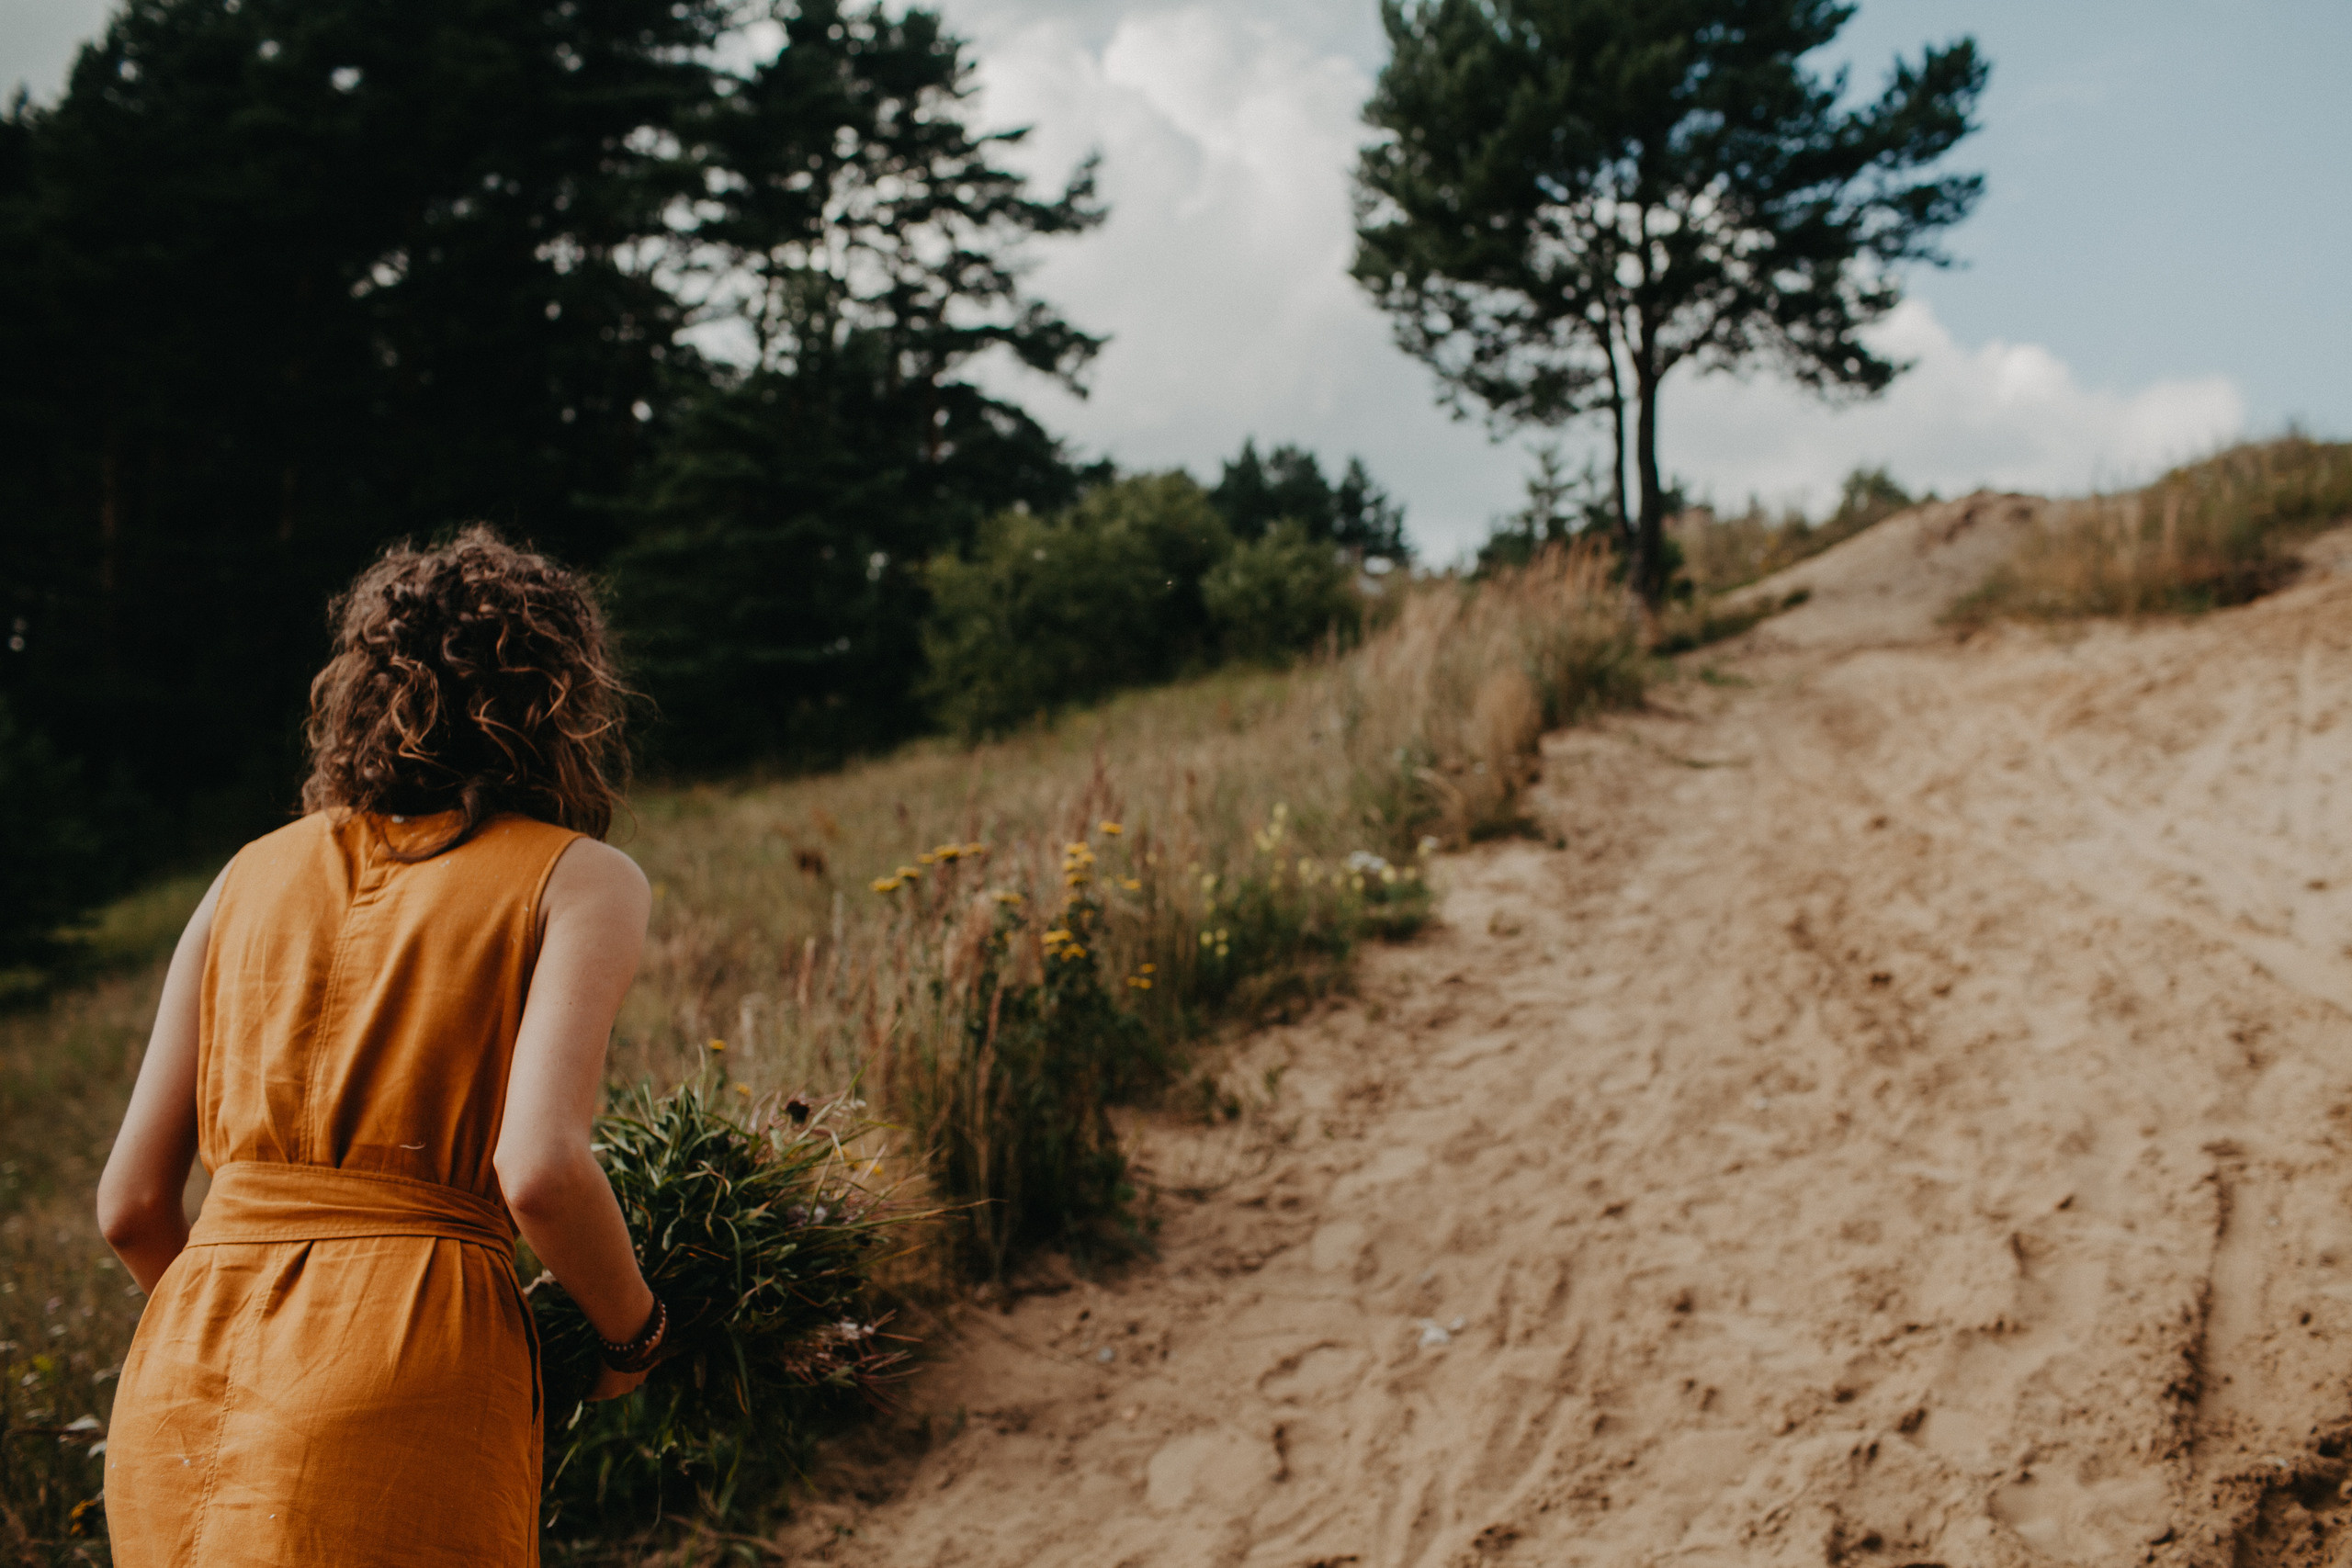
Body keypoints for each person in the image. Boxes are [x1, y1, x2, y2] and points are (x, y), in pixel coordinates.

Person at [96, 527, 663, 1563]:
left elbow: (131, 1208)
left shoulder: (242, 877)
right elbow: (538, 1171)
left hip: (182, 1379)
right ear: (561, 701)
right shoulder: (581, 879)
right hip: (412, 1356)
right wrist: (631, 1336)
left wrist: (240, 1320)